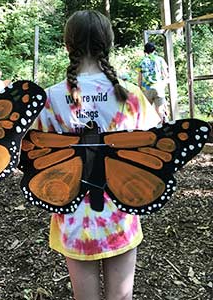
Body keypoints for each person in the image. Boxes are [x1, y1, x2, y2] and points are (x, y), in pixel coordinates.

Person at [33, 10, 161, 300]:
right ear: (109, 44)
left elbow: (35, 151)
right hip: (120, 207)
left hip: (73, 212)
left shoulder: (51, 98)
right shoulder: (130, 94)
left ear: (68, 45)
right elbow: (154, 146)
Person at [137, 42, 169, 122]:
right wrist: (163, 85)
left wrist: (140, 89)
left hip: (146, 89)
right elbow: (166, 75)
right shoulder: (160, 60)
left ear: (145, 51)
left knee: (147, 111)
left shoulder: (142, 62)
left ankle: (149, 130)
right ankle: (163, 128)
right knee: (160, 110)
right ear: (154, 50)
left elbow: (140, 78)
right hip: (158, 88)